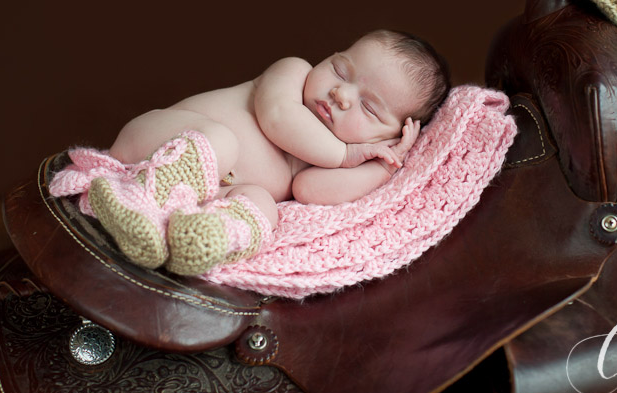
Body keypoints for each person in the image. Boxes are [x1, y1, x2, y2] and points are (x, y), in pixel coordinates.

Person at [51, 29, 450, 276]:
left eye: (368, 107)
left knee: (264, 205)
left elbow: (312, 190)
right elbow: (277, 119)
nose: (340, 94)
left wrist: (382, 168)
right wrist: (347, 154)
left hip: (203, 191)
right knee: (221, 142)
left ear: (391, 133)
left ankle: (202, 237)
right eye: (340, 70)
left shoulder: (319, 157)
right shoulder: (292, 76)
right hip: (154, 141)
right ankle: (135, 198)